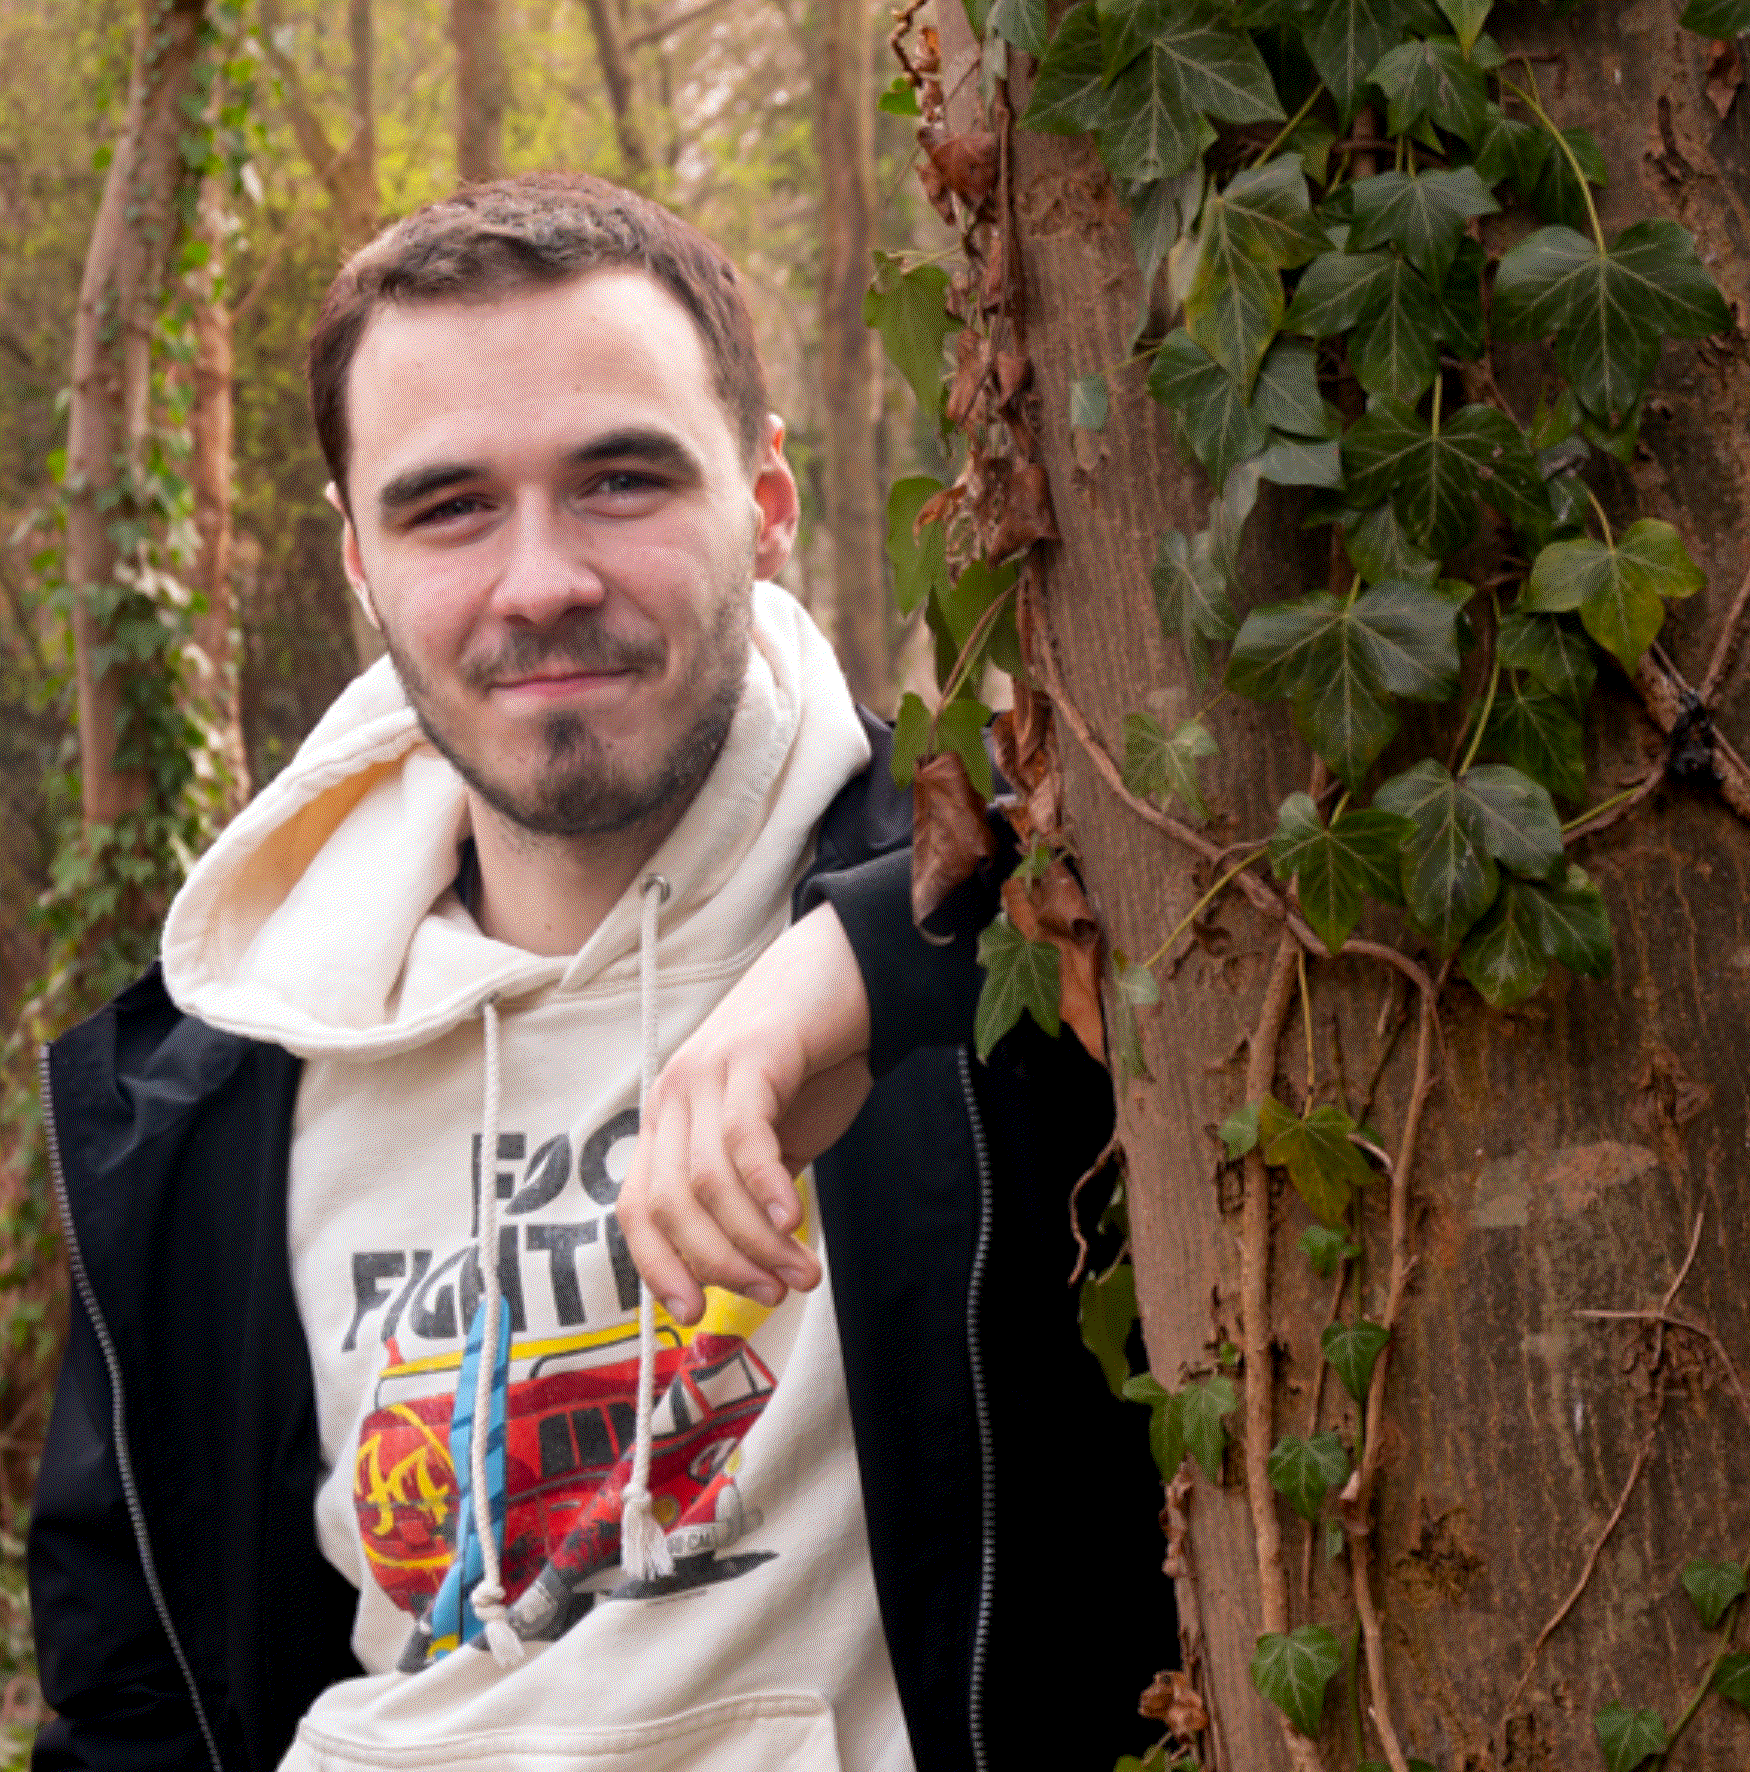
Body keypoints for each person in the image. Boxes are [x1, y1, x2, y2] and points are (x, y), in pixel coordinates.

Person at [29, 173, 1171, 1772]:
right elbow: (132, 1696)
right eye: (448, 507)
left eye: (621, 480)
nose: (542, 581)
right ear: (358, 555)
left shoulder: (986, 925)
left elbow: (1182, 827)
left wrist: (856, 965)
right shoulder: (210, 1080)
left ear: (768, 500)